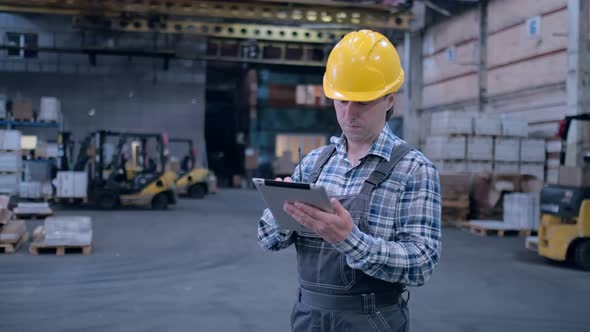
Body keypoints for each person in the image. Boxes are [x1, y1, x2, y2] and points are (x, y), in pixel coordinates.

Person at [257, 29, 442, 331]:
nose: (349, 113)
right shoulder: (315, 164)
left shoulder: (413, 169)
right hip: (308, 319)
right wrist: (282, 212)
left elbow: (422, 264)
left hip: (372, 321)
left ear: (389, 100)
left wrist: (350, 240)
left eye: (363, 102)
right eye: (341, 101)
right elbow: (267, 240)